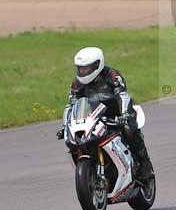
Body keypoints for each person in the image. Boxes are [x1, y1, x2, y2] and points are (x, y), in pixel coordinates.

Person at [57, 47, 154, 182]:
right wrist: (65, 125)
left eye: (86, 69)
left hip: (117, 113)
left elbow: (123, 95)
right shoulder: (77, 83)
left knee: (129, 129)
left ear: (97, 65)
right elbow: (72, 105)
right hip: (94, 116)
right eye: (80, 68)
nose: (82, 72)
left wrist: (125, 115)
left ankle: (144, 165)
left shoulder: (112, 75)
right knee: (77, 140)